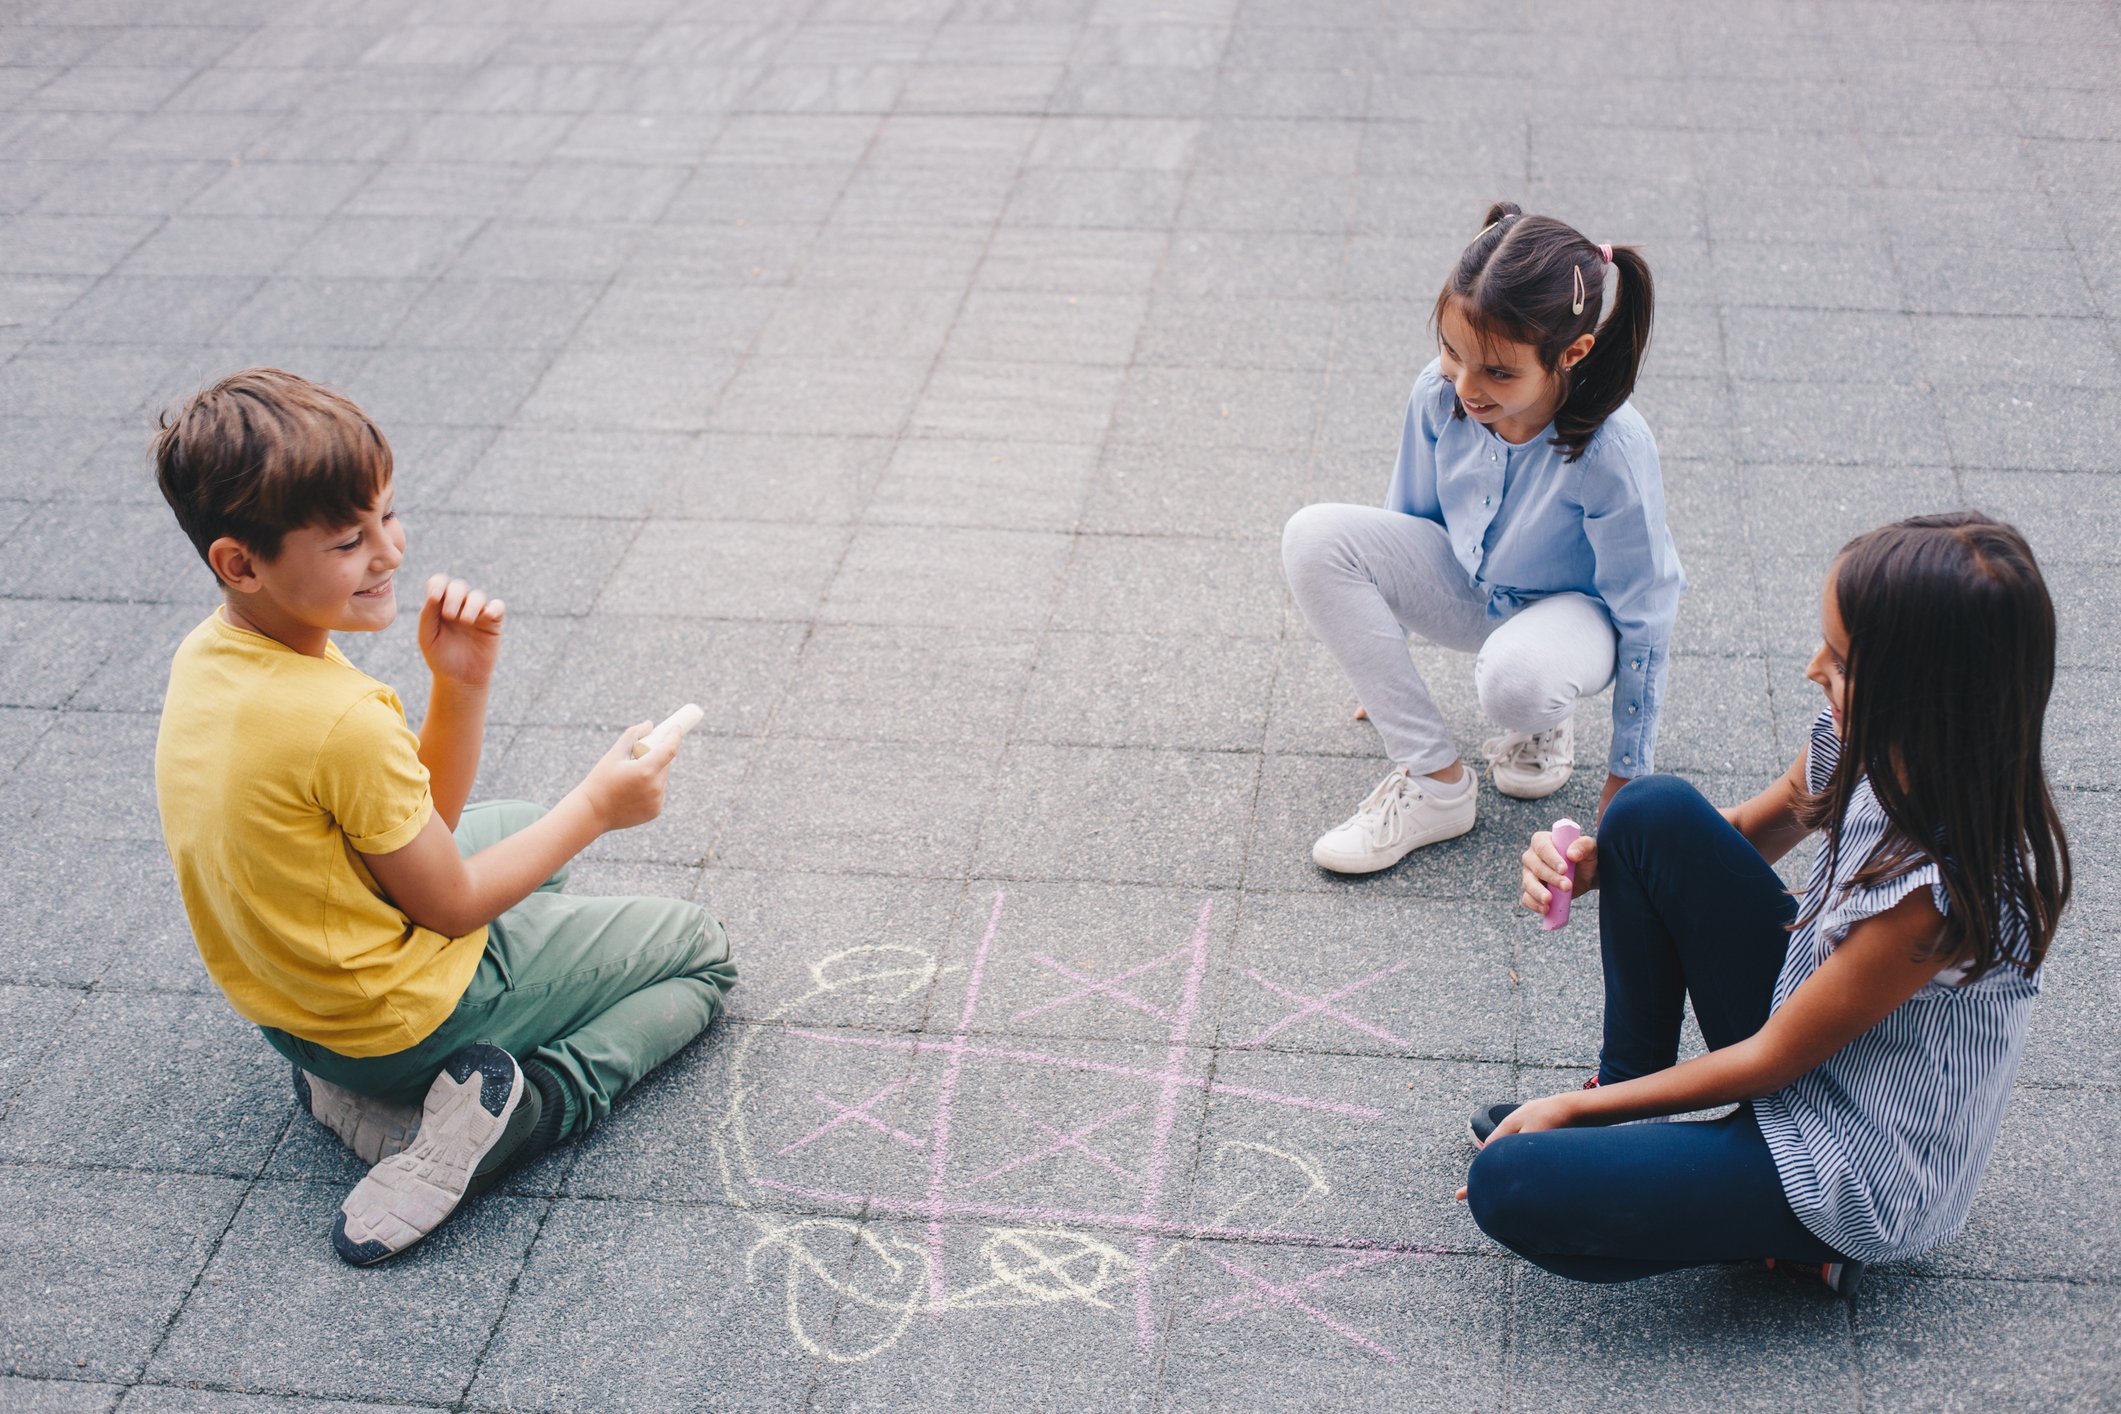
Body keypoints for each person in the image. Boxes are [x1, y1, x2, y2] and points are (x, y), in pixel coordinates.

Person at [151, 369, 737, 1265]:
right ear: (241, 561)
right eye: (350, 539)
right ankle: (515, 1113)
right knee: (698, 953)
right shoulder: (338, 719)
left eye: (386, 515)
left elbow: (413, 829)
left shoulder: (214, 654)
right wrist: (598, 808)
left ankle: (371, 1094)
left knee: (523, 834)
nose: (388, 553)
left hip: (299, 1015)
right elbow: (451, 905)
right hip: (394, 1020)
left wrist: (460, 685)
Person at [1461, 514, 2070, 1297]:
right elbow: (1747, 830)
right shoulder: (1866, 735)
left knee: (1510, 1184)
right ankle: (1621, 1103)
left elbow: (1773, 1057)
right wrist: (1600, 864)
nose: (1815, 668)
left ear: (1926, 693)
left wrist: (1560, 1122)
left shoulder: (1942, 893)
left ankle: (1792, 1240)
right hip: (1809, 1047)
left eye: (1843, 661)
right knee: (1647, 813)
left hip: (1850, 1163)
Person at [1282, 201, 1680, 874]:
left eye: (1497, 372)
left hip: (1576, 621)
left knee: (1515, 684)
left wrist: (1627, 776)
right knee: (1312, 536)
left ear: (1572, 352)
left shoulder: (1612, 447)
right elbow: (1408, 519)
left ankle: (1542, 711)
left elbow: (1645, 606)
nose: (1465, 386)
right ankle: (1434, 784)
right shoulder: (1438, 393)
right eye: (1450, 351)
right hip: (1476, 587)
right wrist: (1379, 652)